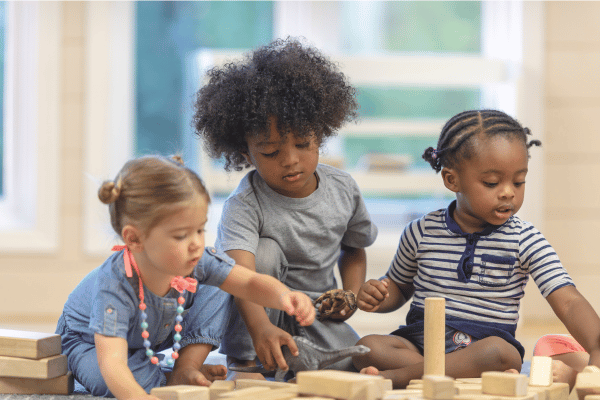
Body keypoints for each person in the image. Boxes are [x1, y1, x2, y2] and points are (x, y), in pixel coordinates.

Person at [352, 109, 600, 389]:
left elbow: (568, 301)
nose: (508, 192)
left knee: (501, 353)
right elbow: (399, 287)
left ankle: (401, 377)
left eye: (519, 181)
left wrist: (596, 345)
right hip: (420, 345)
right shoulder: (420, 231)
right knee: (366, 347)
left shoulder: (525, 239)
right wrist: (378, 296)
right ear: (451, 180)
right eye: (492, 183)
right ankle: (437, 374)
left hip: (482, 349)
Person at [56, 155, 315, 400]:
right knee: (112, 381)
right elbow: (111, 362)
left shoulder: (196, 258)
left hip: (155, 329)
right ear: (134, 239)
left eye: (200, 229)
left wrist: (283, 295)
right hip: (89, 340)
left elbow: (247, 281)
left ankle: (185, 367)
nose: (196, 244)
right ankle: (167, 377)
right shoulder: (115, 284)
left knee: (222, 284)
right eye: (181, 235)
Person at [192, 37, 378, 376]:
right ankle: (249, 358)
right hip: (256, 317)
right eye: (270, 151)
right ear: (246, 154)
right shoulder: (245, 205)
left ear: (320, 135)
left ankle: (291, 361)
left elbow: (354, 249)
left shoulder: (344, 189)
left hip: (316, 314)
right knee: (262, 252)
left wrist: (349, 295)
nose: (291, 161)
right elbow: (241, 277)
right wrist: (261, 328)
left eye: (303, 144)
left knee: (362, 362)